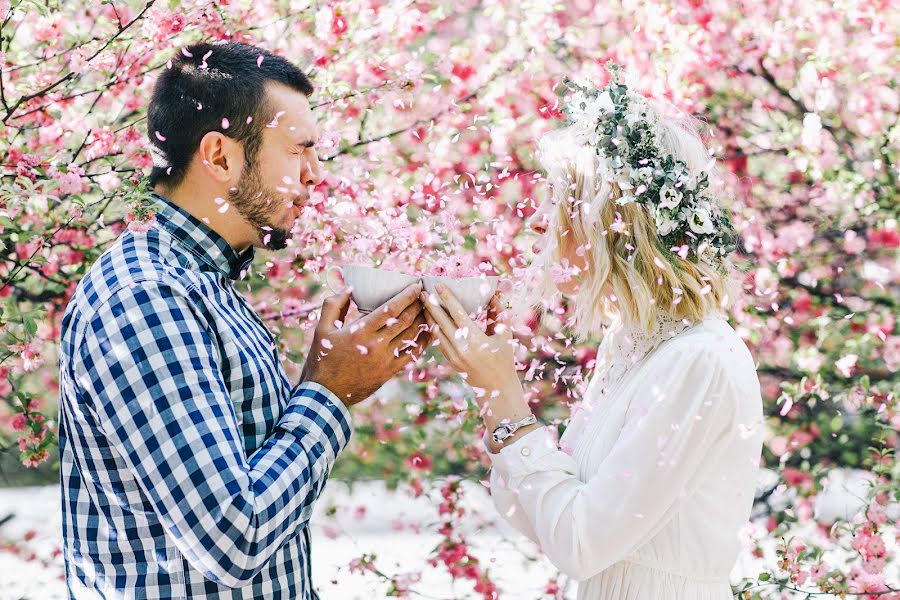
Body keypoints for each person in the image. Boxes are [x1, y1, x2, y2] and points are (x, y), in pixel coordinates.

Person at [57, 40, 428, 599]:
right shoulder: (148, 297)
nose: (315, 175)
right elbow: (234, 539)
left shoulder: (203, 283)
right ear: (221, 156)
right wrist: (329, 394)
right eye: (299, 150)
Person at [424, 64, 765, 599]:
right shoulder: (632, 344)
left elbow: (580, 544)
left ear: (615, 221)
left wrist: (505, 399)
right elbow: (536, 513)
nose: (538, 221)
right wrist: (495, 397)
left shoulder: (699, 362)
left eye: (557, 199)